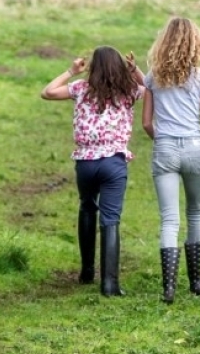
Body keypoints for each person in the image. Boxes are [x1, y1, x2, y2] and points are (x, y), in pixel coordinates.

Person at [40, 46, 144, 297]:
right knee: (110, 218)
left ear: (93, 67)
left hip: (85, 161)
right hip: (113, 163)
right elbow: (153, 89)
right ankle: (109, 284)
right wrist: (136, 71)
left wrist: (71, 71)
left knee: (87, 207)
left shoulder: (80, 89)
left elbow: (47, 92)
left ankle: (87, 271)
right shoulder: (129, 91)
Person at [141, 17, 200, 304]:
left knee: (169, 219)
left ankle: (168, 287)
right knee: (195, 212)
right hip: (193, 148)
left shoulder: (152, 77)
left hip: (164, 148)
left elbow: (147, 123)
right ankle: (195, 281)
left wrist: (162, 141)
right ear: (196, 44)